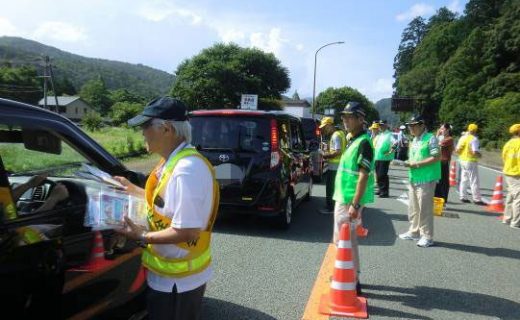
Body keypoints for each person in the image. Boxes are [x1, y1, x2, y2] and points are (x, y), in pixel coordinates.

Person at [114, 96, 219, 320]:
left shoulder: (186, 169)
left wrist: (140, 235)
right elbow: (167, 205)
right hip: (169, 277)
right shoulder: (173, 161)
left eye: (146, 126)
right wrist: (131, 188)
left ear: (167, 129)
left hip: (178, 283)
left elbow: (187, 231)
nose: (142, 133)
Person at [333, 101, 374, 292]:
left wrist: (355, 205)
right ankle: (350, 276)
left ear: (360, 119)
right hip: (344, 197)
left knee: (345, 240)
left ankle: (352, 280)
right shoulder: (353, 139)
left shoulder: (364, 143)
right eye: (344, 117)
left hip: (349, 200)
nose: (345, 120)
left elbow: (363, 176)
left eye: (350, 117)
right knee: (345, 239)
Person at [399, 115, 440, 248]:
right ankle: (414, 231)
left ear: (422, 125)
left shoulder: (431, 138)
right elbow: (415, 157)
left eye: (414, 125)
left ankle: (427, 236)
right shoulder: (414, 139)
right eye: (410, 126)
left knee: (425, 209)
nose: (411, 128)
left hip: (426, 178)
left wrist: (416, 164)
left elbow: (436, 156)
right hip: (414, 178)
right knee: (413, 208)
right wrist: (408, 163)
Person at [319, 116, 347, 214]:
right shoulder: (341, 133)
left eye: (324, 127)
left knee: (330, 188)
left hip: (334, 166)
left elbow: (337, 151)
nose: (323, 130)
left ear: (330, 125)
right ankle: (334, 207)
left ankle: (330, 208)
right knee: (336, 187)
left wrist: (325, 155)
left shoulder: (335, 135)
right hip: (339, 165)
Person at [455, 123, 485, 205]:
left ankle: (463, 196)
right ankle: (477, 199)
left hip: (462, 160)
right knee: (474, 180)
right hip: (470, 161)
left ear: (468, 129)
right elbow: (475, 151)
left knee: (464, 179)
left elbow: (457, 149)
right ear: (475, 130)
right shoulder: (474, 139)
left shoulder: (463, 138)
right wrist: (480, 155)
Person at [502, 123, 520, 229]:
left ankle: (507, 218)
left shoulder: (508, 143)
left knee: (510, 196)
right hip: (517, 173)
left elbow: (504, 156)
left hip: (508, 171)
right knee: (518, 198)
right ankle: (516, 222)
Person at [374, 120, 395, 198]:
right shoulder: (380, 135)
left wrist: (390, 151)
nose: (380, 126)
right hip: (377, 157)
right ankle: (380, 189)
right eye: (379, 125)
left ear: (386, 125)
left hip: (385, 158)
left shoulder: (389, 134)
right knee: (378, 175)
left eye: (382, 125)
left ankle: (384, 192)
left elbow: (395, 143)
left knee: (382, 175)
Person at [434, 123, 454, 204]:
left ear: (447, 130)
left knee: (443, 182)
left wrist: (437, 135)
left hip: (443, 162)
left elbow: (436, 144)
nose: (441, 130)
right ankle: (437, 199)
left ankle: (443, 199)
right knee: (438, 181)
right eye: (440, 129)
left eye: (442, 129)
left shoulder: (449, 139)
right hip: (439, 162)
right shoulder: (443, 138)